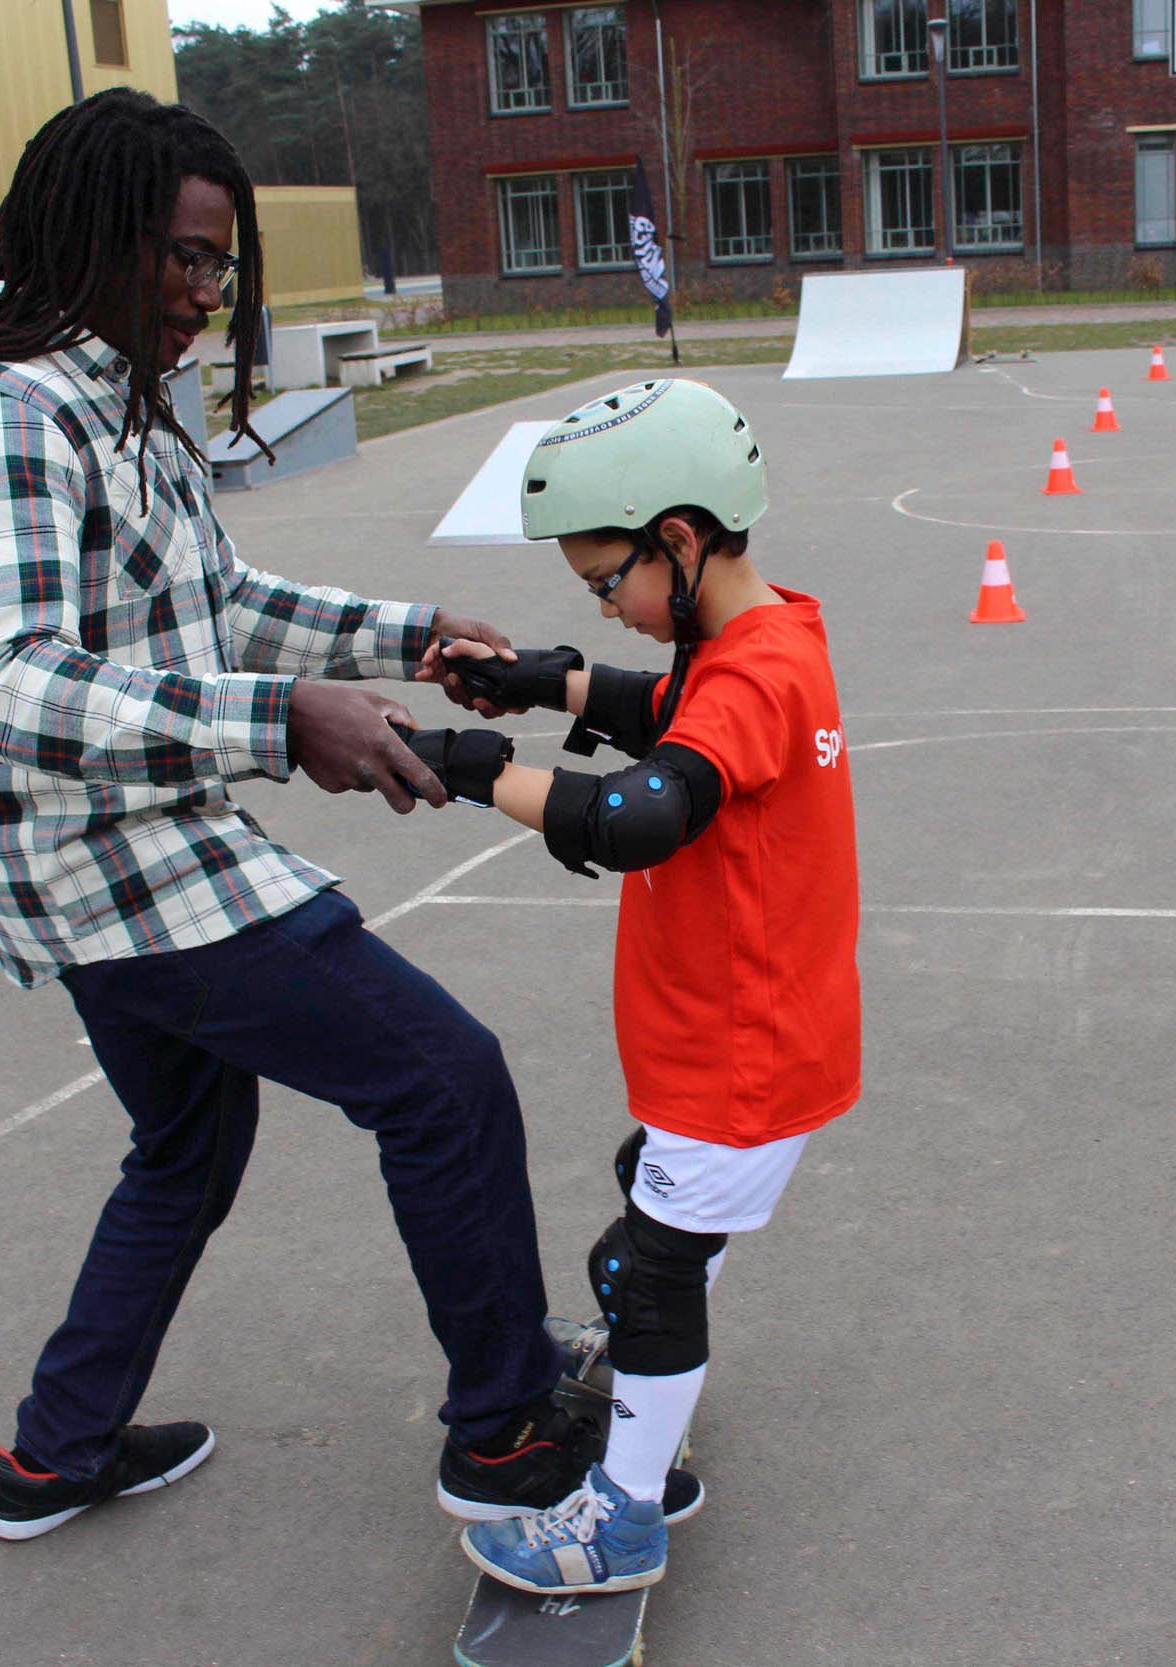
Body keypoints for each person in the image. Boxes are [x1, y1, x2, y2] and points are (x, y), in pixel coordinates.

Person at [0, 87, 610, 1545]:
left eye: (222, 266)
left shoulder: (120, 403)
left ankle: (53, 1451)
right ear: (92, 233)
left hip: (134, 835)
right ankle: (506, 1425)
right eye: (185, 258)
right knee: (442, 1077)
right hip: (107, 862)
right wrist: (280, 722)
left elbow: (221, 603)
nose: (208, 296)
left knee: (188, 1146)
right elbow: (3, 680)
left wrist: (406, 639)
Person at [405, 378, 862, 1596]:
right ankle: (643, 1395)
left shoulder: (751, 677)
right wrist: (536, 679)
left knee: (653, 1272)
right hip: (729, 1039)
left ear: (679, 537)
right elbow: (652, 704)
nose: (605, 605)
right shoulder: (763, 639)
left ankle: (623, 1511)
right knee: (643, 1240)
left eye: (607, 583)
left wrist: (468, 767)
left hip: (741, 1050)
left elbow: (633, 815)